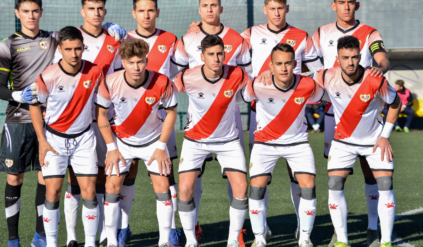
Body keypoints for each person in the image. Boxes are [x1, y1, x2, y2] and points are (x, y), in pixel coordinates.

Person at [171, 0, 252, 244]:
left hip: (228, 135)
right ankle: (191, 237)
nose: (216, 58)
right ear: (201, 56)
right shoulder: (188, 71)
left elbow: (253, 88)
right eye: (211, 55)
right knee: (186, 188)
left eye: (220, 54)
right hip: (196, 139)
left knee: (240, 185)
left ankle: (233, 238)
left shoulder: (237, 67)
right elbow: (166, 90)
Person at [311, 1, 390, 245]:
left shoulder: (369, 32)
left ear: (356, 4)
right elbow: (307, 61)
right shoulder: (321, 33)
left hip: (364, 112)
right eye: (341, 2)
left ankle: (372, 228)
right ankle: (339, 230)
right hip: (333, 112)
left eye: (350, 2)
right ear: (333, 5)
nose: (346, 6)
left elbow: (382, 59)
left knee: (371, 173)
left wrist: (380, 69)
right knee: (336, 175)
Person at [107, 0, 181, 245]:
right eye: (142, 10)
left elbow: (185, 65)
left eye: (151, 10)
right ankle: (122, 229)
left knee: (165, 178)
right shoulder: (122, 39)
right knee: (125, 177)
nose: (147, 15)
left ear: (157, 12)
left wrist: (168, 91)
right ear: (134, 13)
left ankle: (169, 233)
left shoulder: (171, 38)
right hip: (127, 121)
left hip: (158, 120)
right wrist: (106, 26)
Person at [50, 1, 123, 246]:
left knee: (102, 176)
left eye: (100, 8)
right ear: (82, 11)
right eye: (91, 8)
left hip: (103, 118)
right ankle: (72, 237)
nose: (96, 13)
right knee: (74, 178)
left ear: (105, 10)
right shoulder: (70, 37)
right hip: (75, 122)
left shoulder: (115, 39)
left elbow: (118, 76)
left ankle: (104, 232)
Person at [243, 43, 324, 247]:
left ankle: (305, 238)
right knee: (257, 189)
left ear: (295, 64)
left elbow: (325, 97)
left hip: (297, 143)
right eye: (278, 64)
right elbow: (244, 96)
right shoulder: (257, 85)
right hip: (265, 144)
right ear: (270, 65)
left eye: (288, 63)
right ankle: (260, 237)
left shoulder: (308, 85)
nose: (284, 68)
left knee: (308, 187)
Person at [30, 26, 104, 247]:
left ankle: (90, 243)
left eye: (78, 49)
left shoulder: (95, 71)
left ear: (84, 47)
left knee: (89, 191)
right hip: (54, 140)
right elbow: (35, 107)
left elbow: (103, 103)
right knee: (52, 192)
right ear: (60, 49)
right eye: (69, 49)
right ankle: (52, 244)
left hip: (84, 138)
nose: (74, 54)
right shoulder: (48, 75)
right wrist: (42, 141)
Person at [0, 1, 57, 246]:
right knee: (14, 179)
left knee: (45, 179)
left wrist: (106, 25)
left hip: (49, 120)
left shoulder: (54, 39)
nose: (31, 16)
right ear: (17, 13)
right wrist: (17, 95)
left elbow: (82, 36)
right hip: (17, 121)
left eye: (35, 11)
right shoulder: (7, 44)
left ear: (41, 12)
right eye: (26, 11)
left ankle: (40, 237)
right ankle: (13, 239)